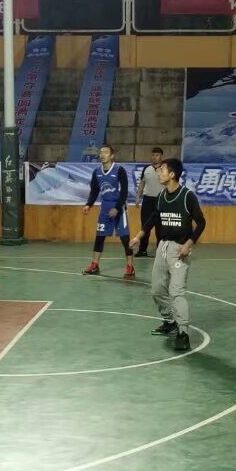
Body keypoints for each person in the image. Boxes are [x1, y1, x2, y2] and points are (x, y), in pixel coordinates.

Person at [130, 157, 206, 353]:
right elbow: (154, 218)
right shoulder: (162, 196)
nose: (159, 173)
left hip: (180, 250)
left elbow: (201, 223)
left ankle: (183, 333)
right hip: (163, 247)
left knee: (177, 292)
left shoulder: (187, 196)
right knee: (156, 290)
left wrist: (188, 244)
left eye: (162, 170)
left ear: (172, 174)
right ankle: (170, 320)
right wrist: (139, 235)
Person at [83, 143, 135, 278]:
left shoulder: (119, 170)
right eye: (101, 152)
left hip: (119, 206)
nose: (102, 155)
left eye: (105, 152)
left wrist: (117, 208)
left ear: (112, 156)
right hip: (105, 206)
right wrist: (88, 204)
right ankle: (94, 265)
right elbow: (94, 191)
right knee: (99, 237)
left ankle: (130, 266)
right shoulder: (97, 172)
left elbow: (124, 192)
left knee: (125, 238)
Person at [136, 147, 165, 258]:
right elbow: (142, 183)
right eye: (153, 155)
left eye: (157, 155)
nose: (154, 157)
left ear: (161, 156)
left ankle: (160, 252)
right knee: (145, 226)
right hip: (147, 200)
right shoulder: (146, 169)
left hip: (161, 200)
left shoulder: (165, 169)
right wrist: (138, 197)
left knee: (160, 228)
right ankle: (142, 250)